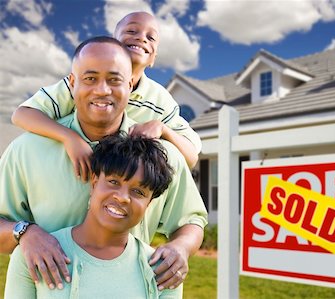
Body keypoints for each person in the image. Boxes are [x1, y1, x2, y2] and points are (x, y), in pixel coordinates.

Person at [0, 36, 207, 292]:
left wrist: (181, 247)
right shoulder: (27, 150)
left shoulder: (161, 156)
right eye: (90, 79)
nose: (102, 90)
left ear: (130, 85)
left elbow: (191, 220)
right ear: (72, 83)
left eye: (114, 79)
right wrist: (25, 232)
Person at [11, 11, 201, 180]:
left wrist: (163, 129)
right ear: (113, 43)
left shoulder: (160, 99)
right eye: (132, 31)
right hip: (69, 174)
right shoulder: (83, 83)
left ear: (153, 59)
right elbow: (22, 114)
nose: (142, 38)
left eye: (151, 38)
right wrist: (69, 138)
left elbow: (191, 157)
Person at [5, 133, 181, 298]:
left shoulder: (163, 270)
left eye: (138, 192)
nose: (122, 197)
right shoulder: (34, 254)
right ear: (94, 183)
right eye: (113, 182)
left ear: (148, 204)